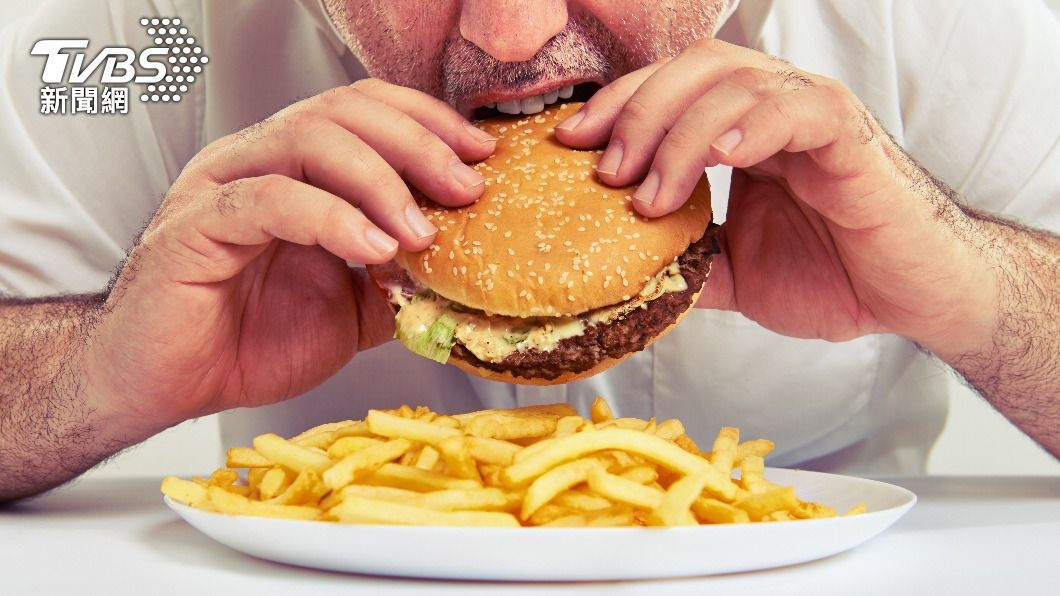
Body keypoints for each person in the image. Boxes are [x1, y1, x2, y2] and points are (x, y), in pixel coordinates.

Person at [1, 0, 1057, 502]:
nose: (511, 35)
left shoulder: (948, 20)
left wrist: (977, 291)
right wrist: (96, 372)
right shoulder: (130, 33)